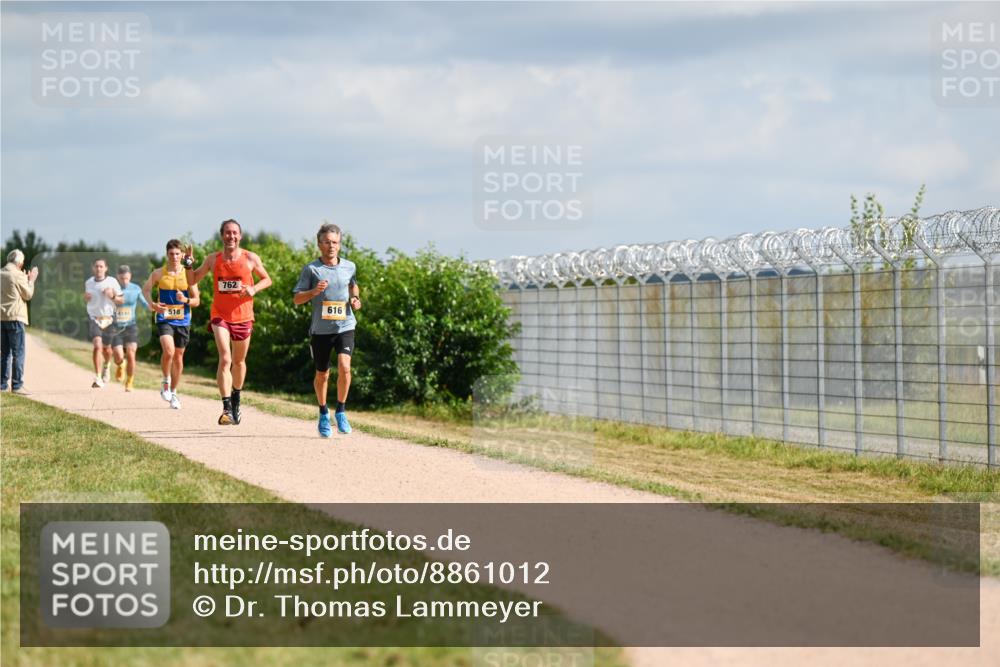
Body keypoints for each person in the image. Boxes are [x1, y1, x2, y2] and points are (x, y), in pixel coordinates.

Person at [186, 219, 271, 425]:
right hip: (220, 315)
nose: (231, 236)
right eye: (227, 233)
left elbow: (267, 279)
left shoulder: (250, 258)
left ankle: (236, 399)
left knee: (239, 362)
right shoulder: (213, 259)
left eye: (234, 233)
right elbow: (192, 280)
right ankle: (226, 409)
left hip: (243, 317)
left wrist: (253, 289)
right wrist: (187, 264)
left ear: (240, 236)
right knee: (225, 359)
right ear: (221, 235)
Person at [293, 223, 361, 437]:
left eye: (335, 242)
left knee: (345, 366)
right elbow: (297, 299)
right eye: (327, 242)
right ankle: (323, 412)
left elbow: (353, 284)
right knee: (322, 374)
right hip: (321, 331)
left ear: (340, 245)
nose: (331, 246)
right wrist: (314, 291)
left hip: (345, 325)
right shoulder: (312, 269)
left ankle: (340, 410)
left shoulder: (350, 266)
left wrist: (356, 297)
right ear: (319, 244)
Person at [143, 240, 200, 409]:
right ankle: (166, 381)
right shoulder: (158, 273)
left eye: (177, 254)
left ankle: (174, 392)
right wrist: (153, 305)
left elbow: (197, 300)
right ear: (166, 254)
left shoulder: (189, 276)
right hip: (164, 318)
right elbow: (145, 290)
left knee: (178, 357)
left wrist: (186, 300)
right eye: (171, 254)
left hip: (183, 319)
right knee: (169, 350)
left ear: (182, 255)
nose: (174, 257)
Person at [1, 249, 39, 394]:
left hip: (2, 317)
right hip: (15, 317)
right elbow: (28, 294)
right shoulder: (17, 274)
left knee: (5, 353)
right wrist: (31, 280)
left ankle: (2, 385)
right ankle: (17, 385)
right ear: (19, 263)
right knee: (19, 352)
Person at [111, 265, 151, 392]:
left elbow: (144, 303)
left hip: (130, 325)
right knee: (118, 355)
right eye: (122, 278)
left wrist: (152, 307)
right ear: (118, 277)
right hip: (115, 326)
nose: (124, 281)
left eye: (126, 278)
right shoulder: (112, 289)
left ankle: (129, 382)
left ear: (130, 276)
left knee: (131, 353)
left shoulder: (136, 289)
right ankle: (120, 364)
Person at [84, 258, 123, 388]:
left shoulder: (112, 281)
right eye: (96, 266)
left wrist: (111, 296)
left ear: (106, 268)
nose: (98, 269)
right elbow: (88, 298)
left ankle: (106, 365)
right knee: (97, 345)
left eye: (101, 266)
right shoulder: (89, 282)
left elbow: (121, 300)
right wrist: (86, 298)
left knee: (107, 349)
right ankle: (98, 377)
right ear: (93, 268)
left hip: (109, 318)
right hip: (94, 317)